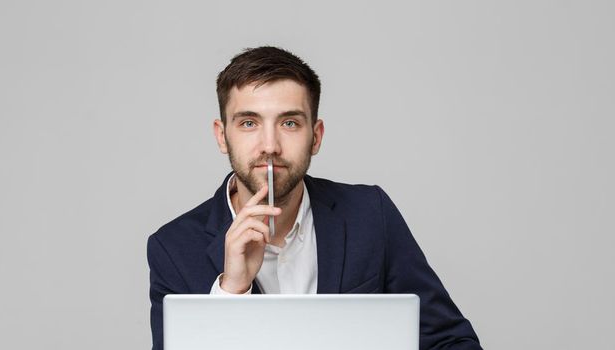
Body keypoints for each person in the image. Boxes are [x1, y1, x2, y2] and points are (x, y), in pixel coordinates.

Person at [146, 46, 481, 350]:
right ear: (222, 136)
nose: (270, 146)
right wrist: (231, 291)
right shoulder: (172, 248)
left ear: (315, 136)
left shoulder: (370, 214)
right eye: (249, 123)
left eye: (289, 123)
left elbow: (451, 341)